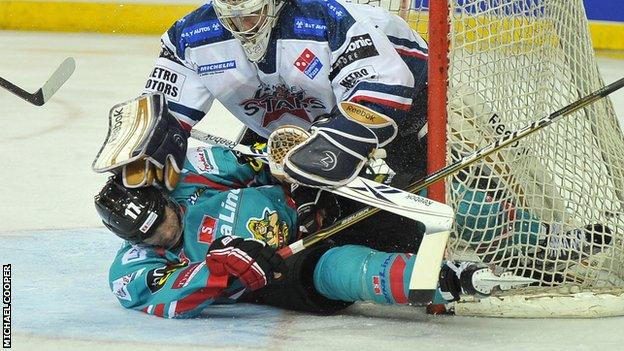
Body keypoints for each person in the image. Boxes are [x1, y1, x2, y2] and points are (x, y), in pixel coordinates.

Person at [96, 145, 506, 318]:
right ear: (133, 241)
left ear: (163, 195)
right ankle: (446, 280)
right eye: (154, 236)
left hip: (318, 209)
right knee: (334, 270)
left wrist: (302, 184)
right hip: (281, 268)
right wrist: (223, 265)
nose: (168, 232)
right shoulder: (130, 271)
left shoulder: (192, 174)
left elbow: (261, 160)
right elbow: (173, 296)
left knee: (414, 194)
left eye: (167, 216)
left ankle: (537, 240)